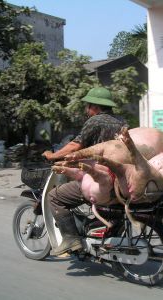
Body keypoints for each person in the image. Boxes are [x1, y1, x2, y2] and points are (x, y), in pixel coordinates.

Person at [42, 87, 128, 255]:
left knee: (55, 197)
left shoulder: (95, 121)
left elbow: (76, 144)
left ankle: (70, 239)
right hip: (120, 178)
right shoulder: (121, 121)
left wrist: (53, 156)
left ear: (95, 107)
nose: (87, 110)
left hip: (100, 179)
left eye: (88, 106)